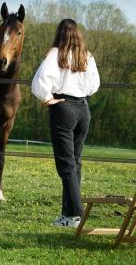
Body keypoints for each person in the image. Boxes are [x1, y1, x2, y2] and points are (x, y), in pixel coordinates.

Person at [31, 19, 100, 228]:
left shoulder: (56, 54)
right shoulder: (86, 56)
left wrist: (47, 98)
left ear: (59, 34)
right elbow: (94, 84)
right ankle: (69, 216)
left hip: (63, 108)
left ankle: (77, 211)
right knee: (75, 163)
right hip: (83, 110)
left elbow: (40, 80)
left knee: (66, 165)